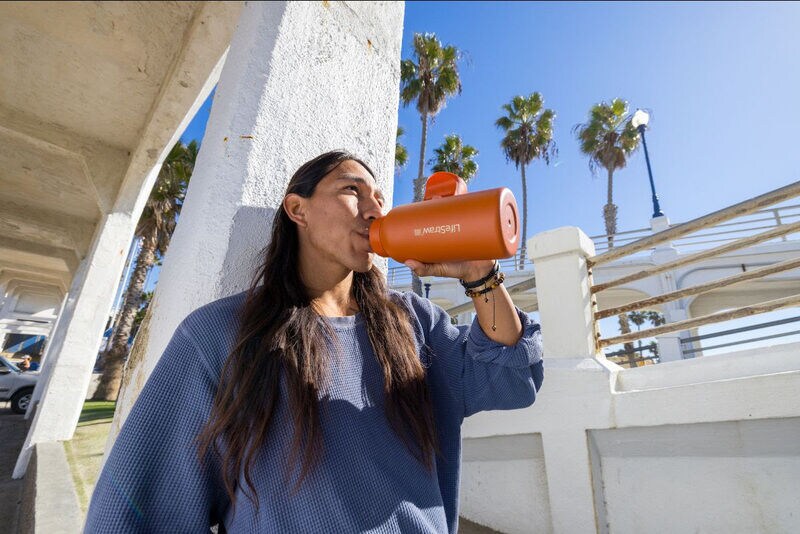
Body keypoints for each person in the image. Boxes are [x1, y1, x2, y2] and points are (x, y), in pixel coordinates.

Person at [85, 150, 544, 533]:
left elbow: (510, 377)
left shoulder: (413, 322)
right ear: (297, 209)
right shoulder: (220, 335)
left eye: (379, 199)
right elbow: (135, 510)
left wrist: (479, 274)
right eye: (351, 191)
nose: (373, 209)